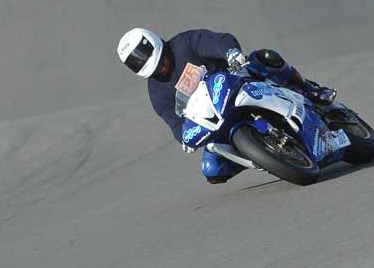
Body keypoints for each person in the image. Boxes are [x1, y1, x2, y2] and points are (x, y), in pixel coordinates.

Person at [117, 27, 336, 184]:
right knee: (212, 170)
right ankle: (263, 156)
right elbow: (174, 122)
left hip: (236, 81)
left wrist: (230, 52)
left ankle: (310, 89)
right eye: (135, 60)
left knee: (265, 58)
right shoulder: (156, 91)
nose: (162, 69)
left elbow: (217, 41)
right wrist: (185, 139)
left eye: (160, 61)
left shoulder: (183, 43)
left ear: (153, 43)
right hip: (216, 121)